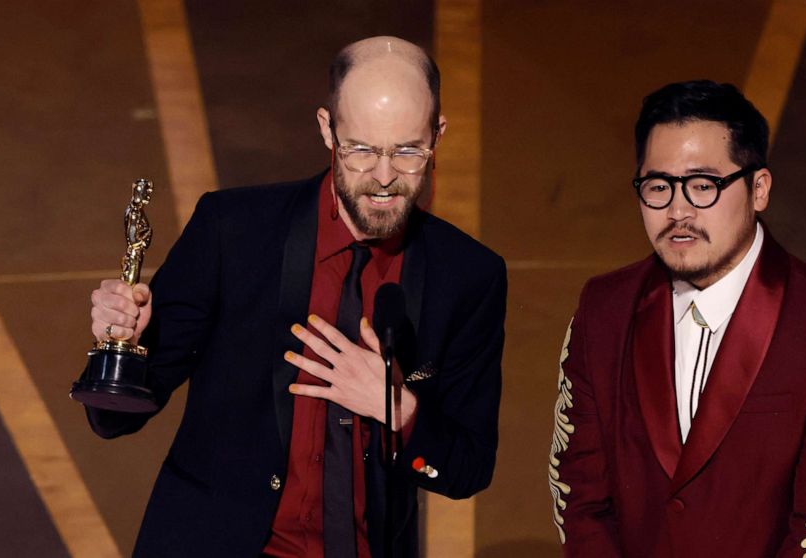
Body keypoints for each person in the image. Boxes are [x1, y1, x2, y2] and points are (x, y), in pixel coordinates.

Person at [84, 36, 506, 557]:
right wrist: (120, 346)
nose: (383, 176)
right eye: (360, 149)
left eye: (408, 151)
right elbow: (114, 419)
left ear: (437, 136)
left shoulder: (468, 276)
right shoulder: (232, 232)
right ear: (327, 129)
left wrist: (393, 407)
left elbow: (467, 469)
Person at [548, 80, 806, 557]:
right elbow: (579, 495)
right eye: (658, 186)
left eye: (703, 186)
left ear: (759, 188)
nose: (678, 210)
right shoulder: (604, 310)